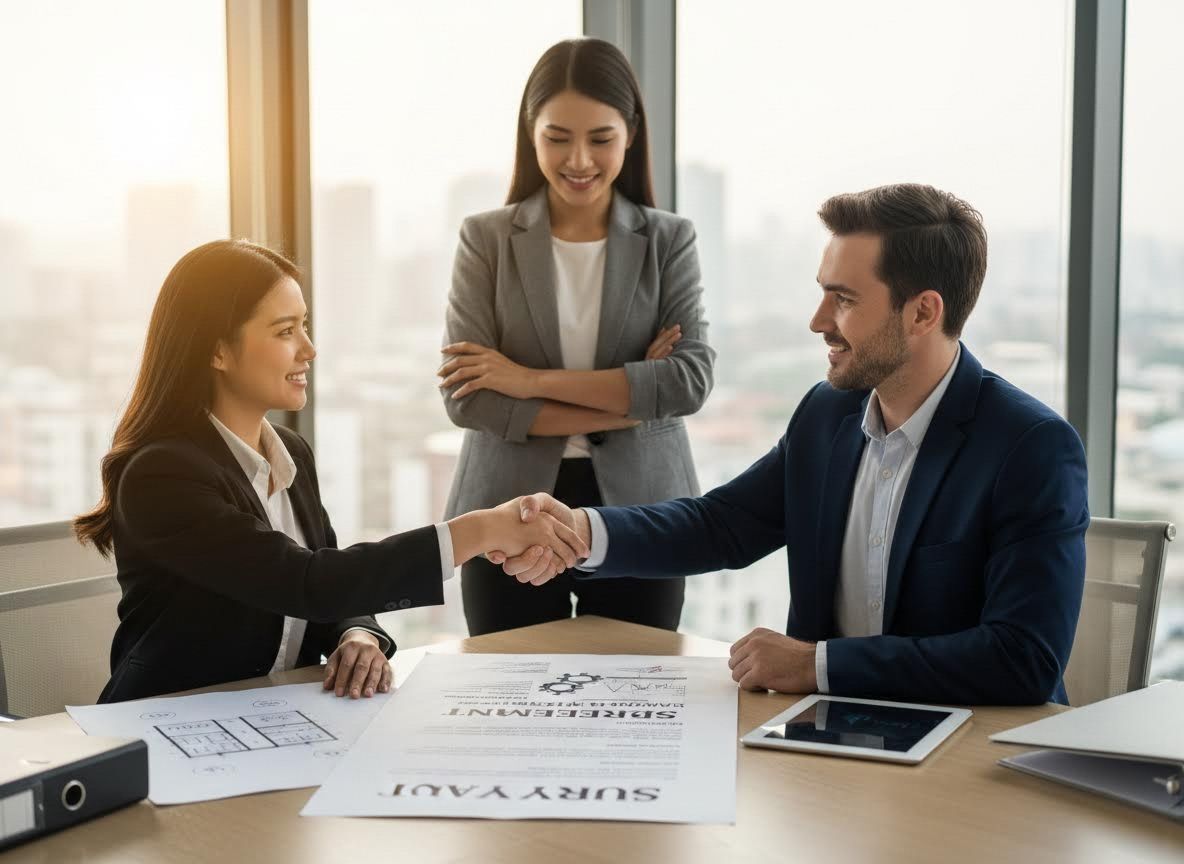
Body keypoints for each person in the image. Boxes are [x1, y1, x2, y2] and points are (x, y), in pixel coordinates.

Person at [495, 183, 1090, 706]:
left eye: (845, 299)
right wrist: (579, 530)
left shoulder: (1029, 447)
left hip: (967, 762)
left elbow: (1023, 659)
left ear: (922, 313)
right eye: (823, 293)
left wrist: (817, 665)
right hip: (832, 747)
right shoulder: (827, 414)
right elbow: (722, 524)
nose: (818, 320)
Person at [74, 240, 586, 704]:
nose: (309, 349)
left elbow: (330, 578)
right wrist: (479, 530)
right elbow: (306, 582)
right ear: (217, 350)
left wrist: (355, 634)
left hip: (275, 712)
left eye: (305, 325)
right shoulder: (162, 474)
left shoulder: (290, 452)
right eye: (285, 331)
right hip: (170, 721)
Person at [438, 38, 715, 636]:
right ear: (530, 132)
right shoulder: (485, 239)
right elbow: (469, 399)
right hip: (507, 507)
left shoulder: (669, 240)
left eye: (600, 138)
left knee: (636, 698)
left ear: (631, 133)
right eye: (558, 138)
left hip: (643, 508)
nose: (579, 160)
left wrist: (525, 380)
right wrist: (627, 404)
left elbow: (688, 382)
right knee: (510, 700)